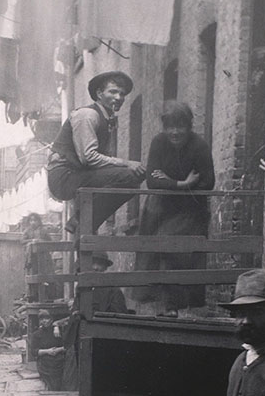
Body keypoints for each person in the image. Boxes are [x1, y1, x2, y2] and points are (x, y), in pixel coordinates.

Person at [136, 101, 216, 316]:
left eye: (180, 126)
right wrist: (183, 184)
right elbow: (152, 179)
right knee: (152, 253)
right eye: (170, 126)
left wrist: (169, 182)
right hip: (159, 208)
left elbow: (208, 181)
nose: (175, 132)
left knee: (180, 252)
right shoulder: (158, 143)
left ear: (189, 127)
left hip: (190, 209)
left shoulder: (199, 146)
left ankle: (185, 308)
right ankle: (157, 307)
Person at [46, 71, 145, 233]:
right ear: (99, 93)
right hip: (64, 176)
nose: (119, 97)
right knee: (130, 176)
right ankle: (81, 221)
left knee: (134, 175)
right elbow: (89, 158)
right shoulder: (88, 115)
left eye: (122, 94)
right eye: (113, 92)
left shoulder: (107, 119)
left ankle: (81, 224)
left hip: (78, 173)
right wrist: (126, 163)